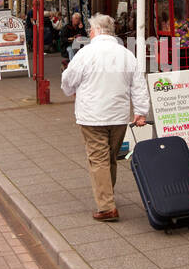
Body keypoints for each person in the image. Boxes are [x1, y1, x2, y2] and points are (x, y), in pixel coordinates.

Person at [60, 13, 149, 222]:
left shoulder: (86, 53)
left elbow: (68, 80)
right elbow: (138, 84)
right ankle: (107, 194)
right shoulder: (126, 54)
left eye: (90, 30)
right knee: (110, 158)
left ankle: (106, 206)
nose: (89, 33)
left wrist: (69, 90)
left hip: (92, 116)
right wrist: (141, 112)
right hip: (118, 116)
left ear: (96, 31)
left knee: (98, 159)